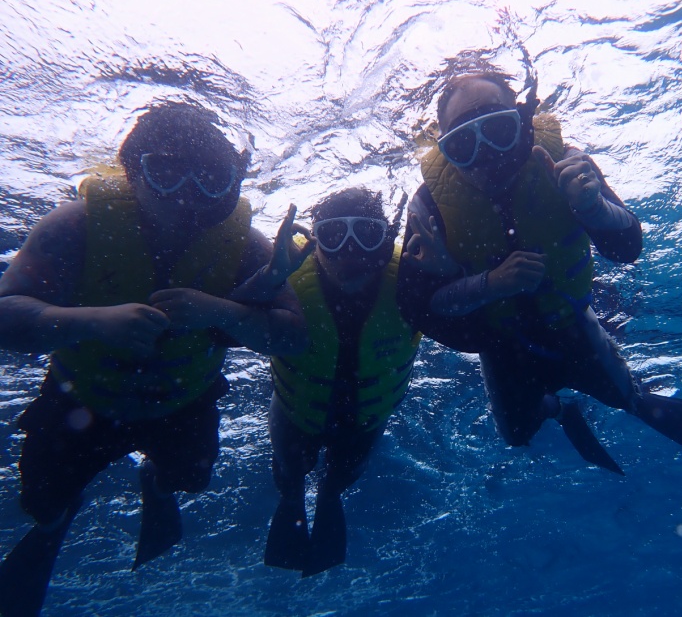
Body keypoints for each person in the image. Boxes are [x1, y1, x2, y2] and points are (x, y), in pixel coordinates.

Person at [0, 102, 309, 617]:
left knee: (190, 477)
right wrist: (92, 321)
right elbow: (5, 314)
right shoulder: (76, 225)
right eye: (164, 172)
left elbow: (294, 339)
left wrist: (220, 311)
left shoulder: (247, 246)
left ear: (232, 181)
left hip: (182, 401)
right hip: (83, 398)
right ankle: (56, 523)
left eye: (210, 179)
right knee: (43, 504)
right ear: (130, 171)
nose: (187, 195)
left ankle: (157, 484)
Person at [398, 72, 682, 471]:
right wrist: (490, 285)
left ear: (522, 122)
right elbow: (418, 306)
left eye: (497, 129)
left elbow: (628, 246)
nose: (486, 156)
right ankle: (559, 410)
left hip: (571, 320)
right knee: (517, 436)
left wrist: (593, 209)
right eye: (463, 144)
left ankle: (583, 402)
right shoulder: (429, 209)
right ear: (445, 151)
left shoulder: (563, 164)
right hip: (502, 341)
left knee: (628, 399)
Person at [241, 188, 421, 577]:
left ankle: (327, 496)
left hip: (364, 421)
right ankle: (292, 499)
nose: (350, 254)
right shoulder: (286, 278)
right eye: (334, 236)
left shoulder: (414, 278)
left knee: (339, 479)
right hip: (296, 413)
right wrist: (267, 278)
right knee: (290, 474)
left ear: (387, 238)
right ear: (315, 239)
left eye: (368, 236)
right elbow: (224, 326)